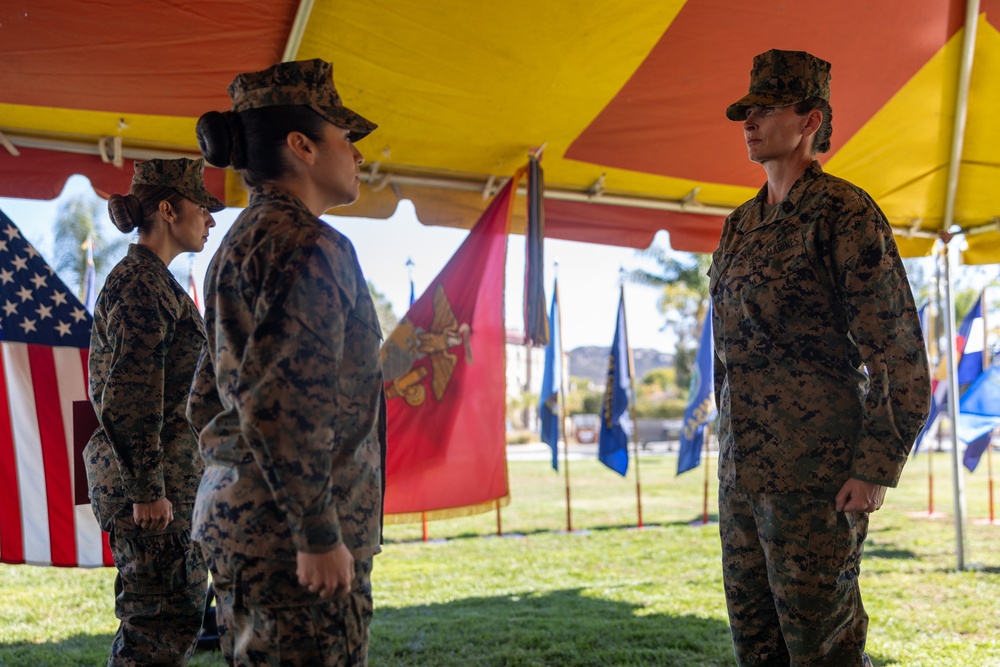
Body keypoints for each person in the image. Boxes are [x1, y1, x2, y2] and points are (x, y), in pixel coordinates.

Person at [710, 49, 931, 666]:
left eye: (767, 109)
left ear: (811, 120)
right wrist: (727, 451)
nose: (750, 122)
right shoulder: (739, 227)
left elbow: (898, 354)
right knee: (757, 645)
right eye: (746, 111)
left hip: (818, 475)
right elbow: (726, 357)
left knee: (820, 648)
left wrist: (875, 466)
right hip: (743, 476)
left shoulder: (843, 213)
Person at [188, 58, 386, 666]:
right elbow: (283, 404)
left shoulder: (242, 240)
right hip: (291, 538)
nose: (357, 157)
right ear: (302, 145)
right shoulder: (309, 243)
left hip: (250, 524)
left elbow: (208, 395)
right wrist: (318, 535)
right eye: (346, 139)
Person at [84, 157, 224, 666]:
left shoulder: (154, 282)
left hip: (167, 485)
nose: (210, 219)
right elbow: (129, 395)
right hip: (152, 494)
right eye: (202, 207)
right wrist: (148, 491)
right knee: (156, 632)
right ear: (168, 209)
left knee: (171, 624)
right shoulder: (141, 285)